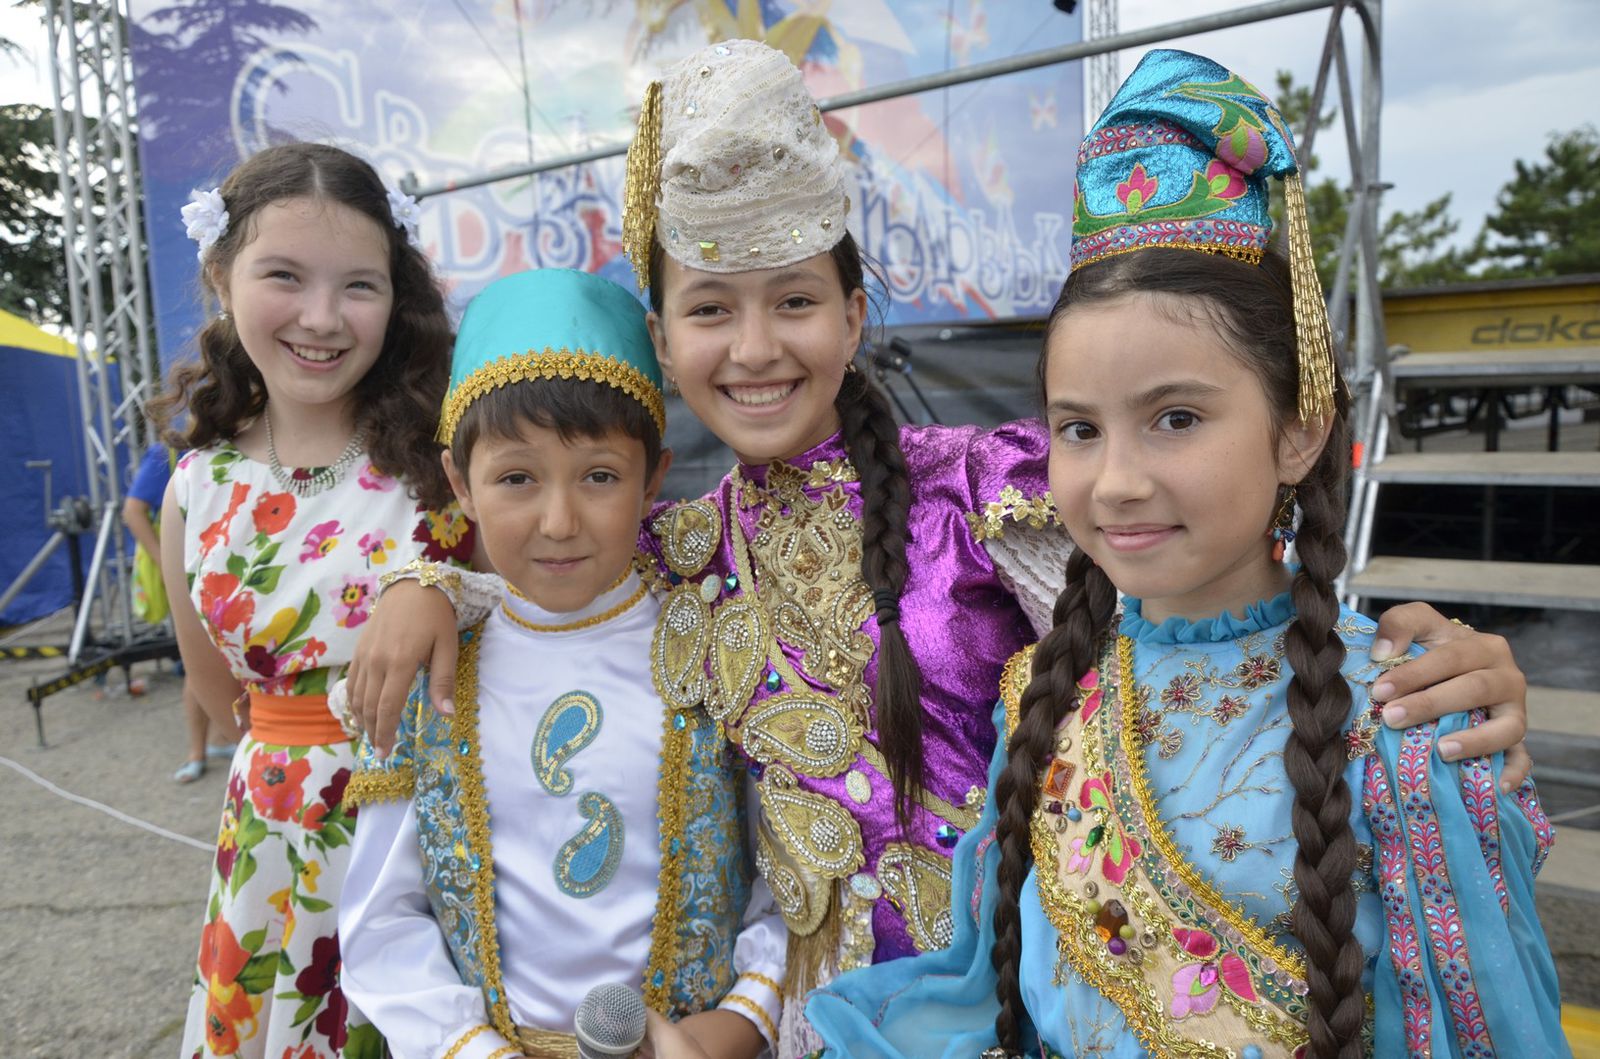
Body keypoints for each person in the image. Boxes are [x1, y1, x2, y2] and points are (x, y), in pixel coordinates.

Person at [349, 40, 1534, 1058]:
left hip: (1038, 997)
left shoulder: (990, 490)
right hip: (814, 1029)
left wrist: (1425, 663)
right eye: (711, 309)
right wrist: (425, 585)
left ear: (855, 315)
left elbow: (1202, 595)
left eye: (794, 301)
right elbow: (542, 572)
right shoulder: (675, 549)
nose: (753, 349)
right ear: (663, 342)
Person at [805, 50, 1569, 1059]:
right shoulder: (1040, 699)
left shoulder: (1406, 725)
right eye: (1079, 428)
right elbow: (986, 998)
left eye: (1175, 418)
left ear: (1298, 430)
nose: (1117, 480)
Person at [337, 267, 785, 1059]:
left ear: (653, 476)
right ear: (459, 481)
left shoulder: (721, 649)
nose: (558, 521)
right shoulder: (428, 668)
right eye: (516, 477)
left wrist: (739, 1021)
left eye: (599, 477)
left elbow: (788, 880)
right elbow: (384, 917)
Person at [153, 142, 476, 1059]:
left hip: (433, 830)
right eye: (284, 276)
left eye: (359, 286)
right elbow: (217, 696)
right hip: (271, 843)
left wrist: (440, 588)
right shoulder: (196, 489)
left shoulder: (448, 460)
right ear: (221, 276)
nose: (322, 317)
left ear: (397, 296)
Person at [122, 440, 241, 781]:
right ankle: (197, 751)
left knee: (225, 659)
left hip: (223, 566)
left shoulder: (240, 442)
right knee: (200, 661)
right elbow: (132, 510)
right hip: (195, 570)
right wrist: (167, 561)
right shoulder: (169, 452)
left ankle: (218, 741)